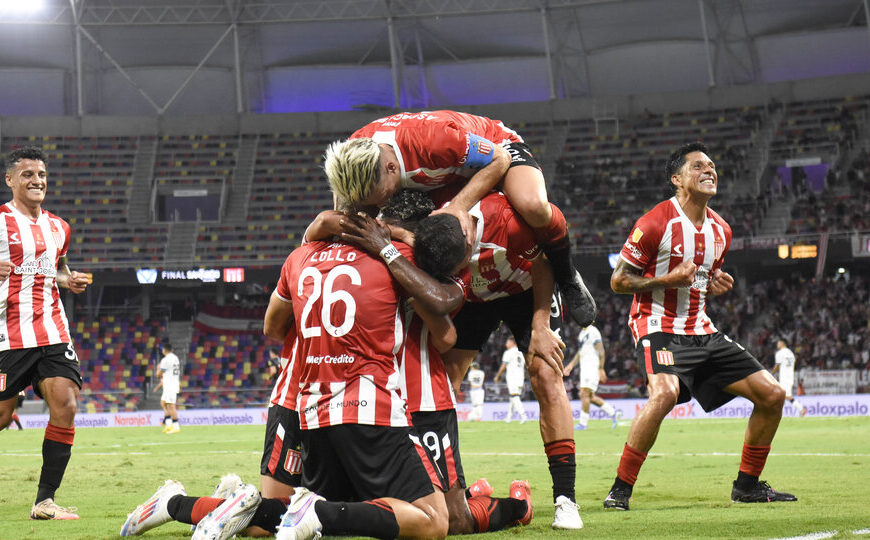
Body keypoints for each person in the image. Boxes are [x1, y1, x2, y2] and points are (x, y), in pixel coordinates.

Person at [338, 191, 583, 530]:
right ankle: (452, 491)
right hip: (474, 294)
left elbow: (542, 260)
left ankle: (566, 500)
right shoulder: (429, 227)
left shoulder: (504, 221)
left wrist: (541, 325)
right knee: (444, 378)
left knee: (545, 372)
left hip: (523, 287)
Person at [602, 142, 796, 511]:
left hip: (701, 329)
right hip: (657, 323)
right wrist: (667, 280)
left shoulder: (722, 230)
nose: (709, 170)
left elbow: (703, 275)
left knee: (773, 395)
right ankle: (620, 490)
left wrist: (716, 280)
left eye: (711, 165)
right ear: (677, 179)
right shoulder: (655, 222)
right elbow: (618, 281)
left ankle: (748, 486)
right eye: (697, 167)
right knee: (663, 395)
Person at [323, 110, 596, 327]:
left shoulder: (433, 140)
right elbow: (347, 221)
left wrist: (457, 206)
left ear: (392, 167)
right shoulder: (352, 162)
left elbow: (498, 160)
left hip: (495, 148)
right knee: (370, 231)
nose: (380, 205)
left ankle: (567, 273)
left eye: (380, 195)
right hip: (444, 176)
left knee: (533, 205)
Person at [0, 146, 92, 520]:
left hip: (52, 329)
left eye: (41, 175)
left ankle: (44, 501)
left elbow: (59, 267)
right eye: (27, 175)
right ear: (10, 180)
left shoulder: (59, 226)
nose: (37, 181)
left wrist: (70, 280)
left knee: (66, 405)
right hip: (7, 335)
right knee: (2, 416)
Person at [562, 324, 622, 430]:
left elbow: (601, 350)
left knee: (584, 393)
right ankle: (613, 413)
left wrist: (601, 368)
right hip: (584, 368)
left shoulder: (593, 331)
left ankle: (583, 423)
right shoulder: (582, 334)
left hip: (592, 366)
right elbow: (580, 353)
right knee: (590, 397)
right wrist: (570, 366)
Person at [494, 337, 528, 424]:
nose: (506, 344)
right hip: (520, 377)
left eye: (507, 342)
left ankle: (523, 416)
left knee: (514, 396)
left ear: (513, 343)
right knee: (514, 397)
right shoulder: (521, 352)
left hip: (512, 377)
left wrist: (497, 376)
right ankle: (509, 417)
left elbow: (503, 365)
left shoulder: (508, 353)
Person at [771, 339, 807, 417]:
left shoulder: (779, 353)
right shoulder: (791, 353)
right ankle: (777, 413)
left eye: (778, 343)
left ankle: (801, 409)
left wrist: (771, 373)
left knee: (786, 396)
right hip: (790, 376)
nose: (777, 345)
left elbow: (777, 366)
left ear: (782, 343)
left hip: (784, 377)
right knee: (782, 395)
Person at [153, 343, 181, 434]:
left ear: (164, 350)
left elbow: (159, 375)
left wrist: (158, 368)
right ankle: (168, 425)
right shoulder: (175, 358)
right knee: (164, 403)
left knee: (171, 405)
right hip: (172, 383)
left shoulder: (165, 360)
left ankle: (176, 426)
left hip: (170, 385)